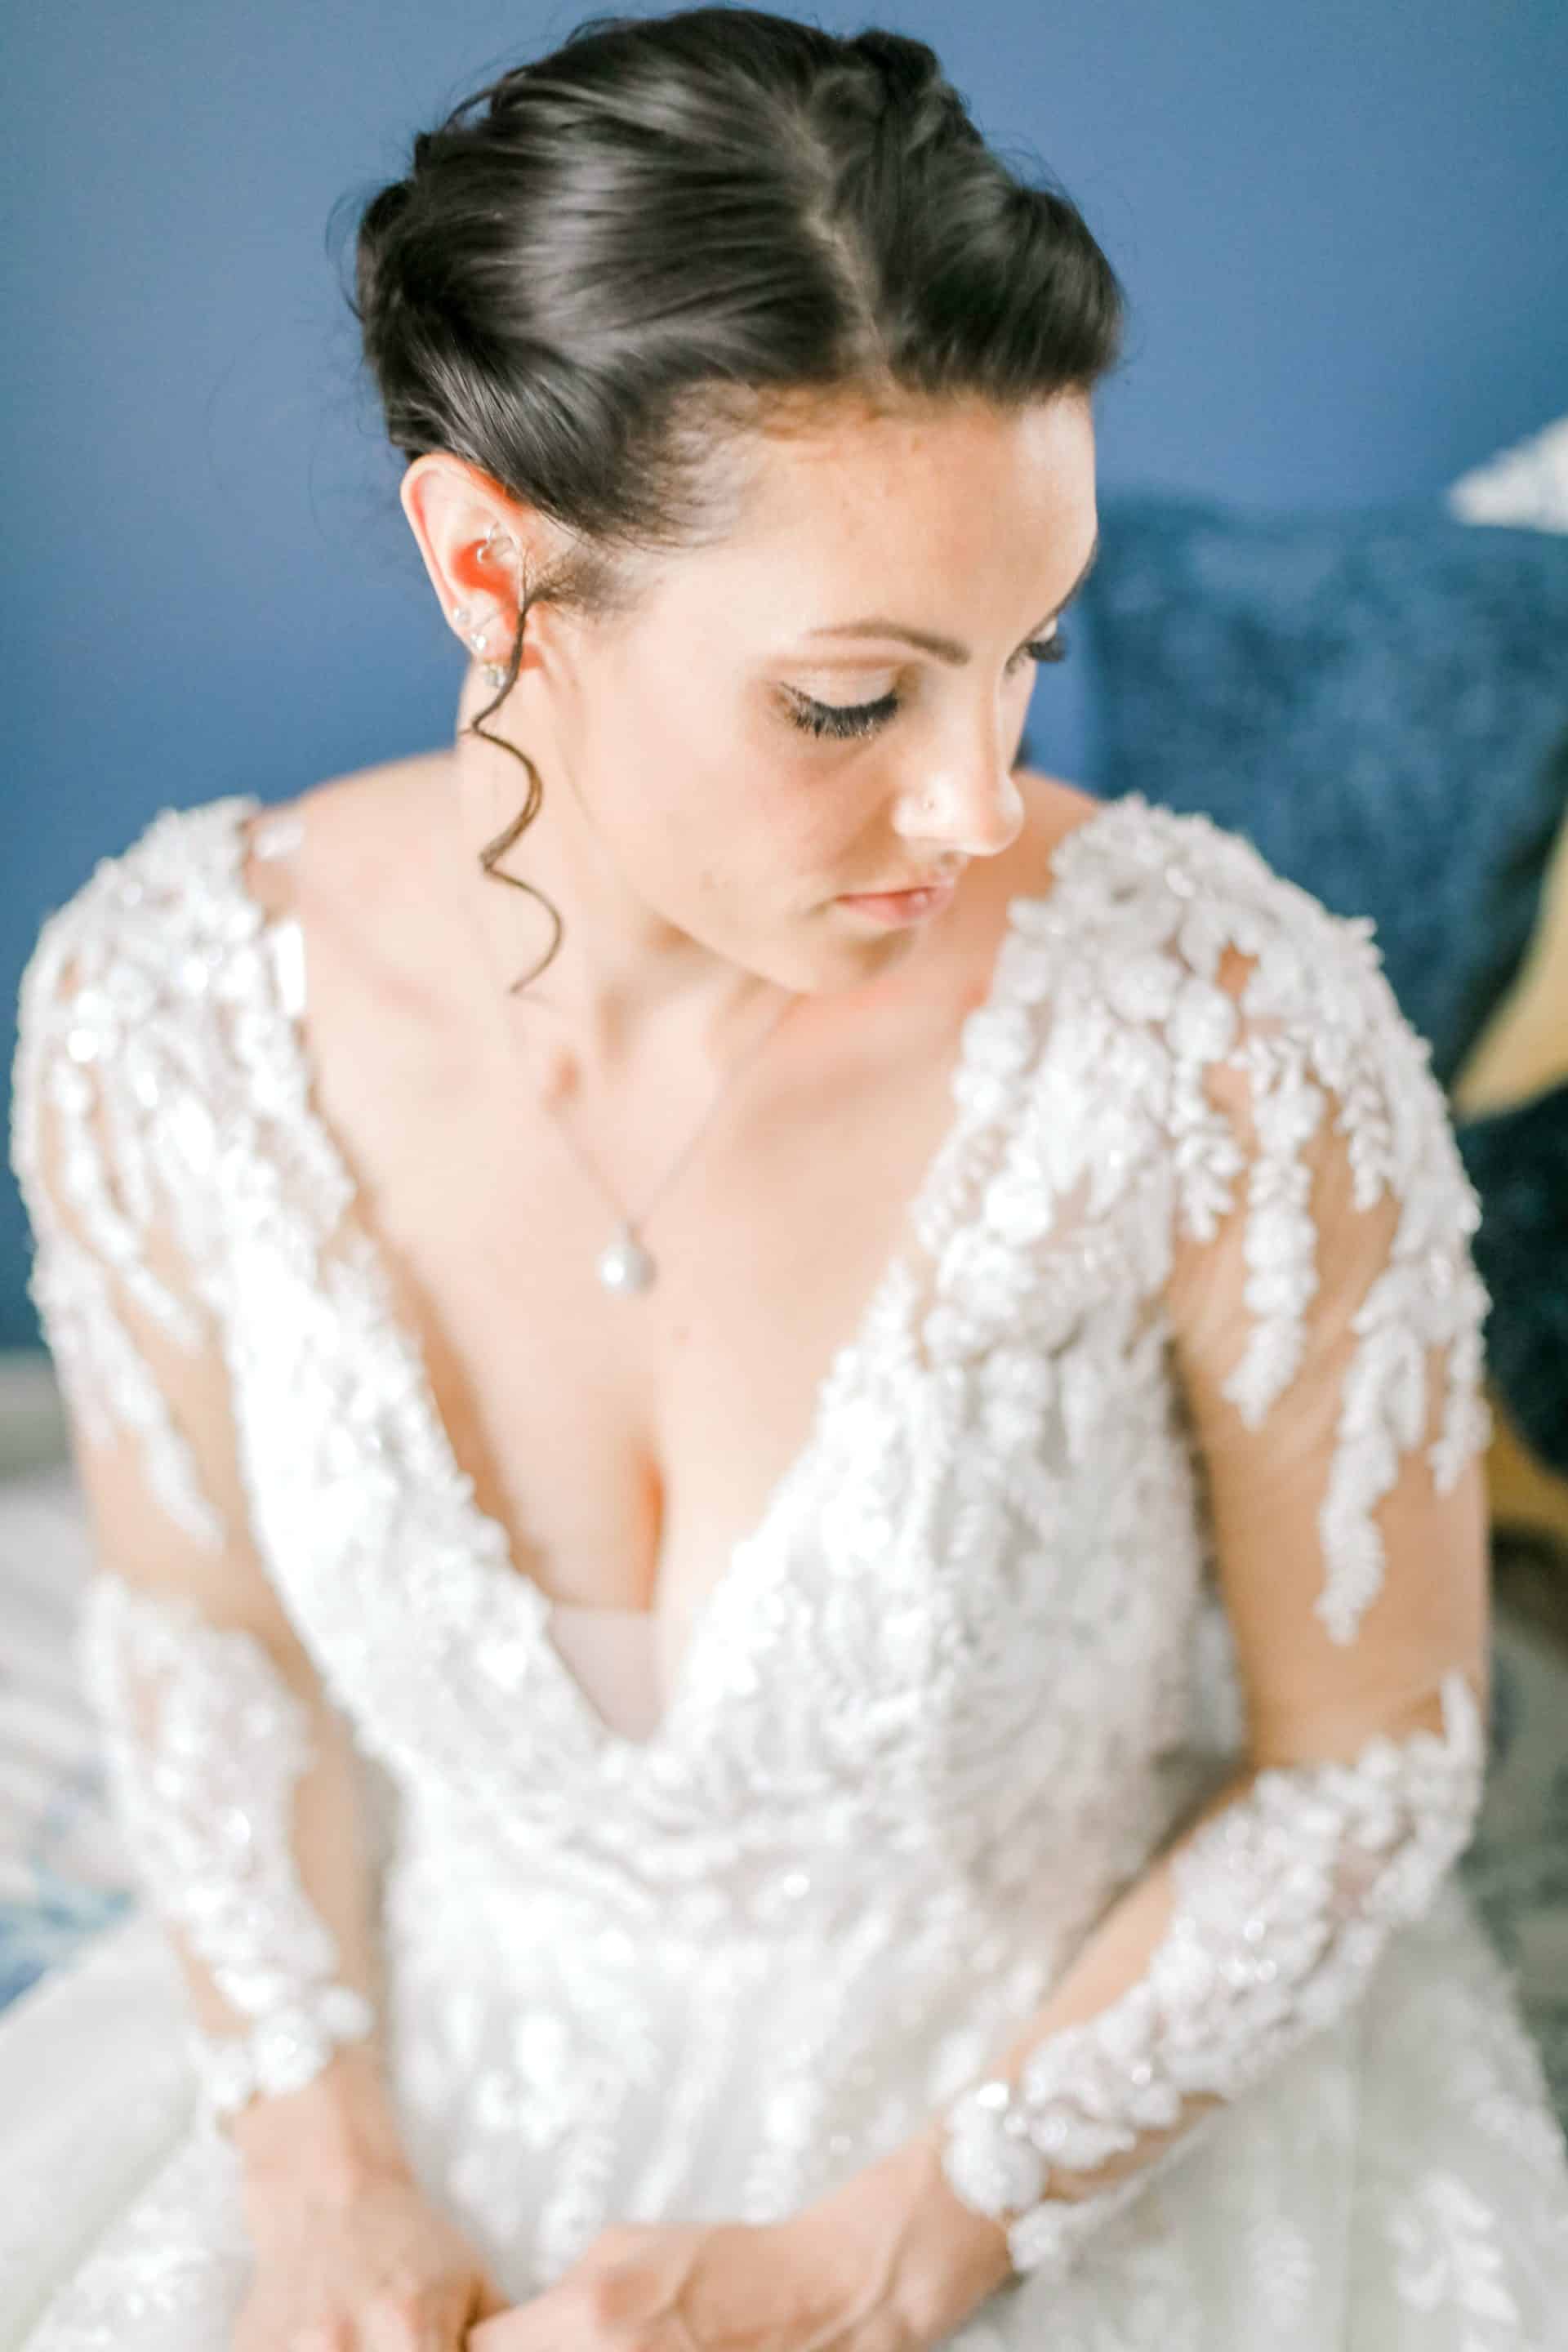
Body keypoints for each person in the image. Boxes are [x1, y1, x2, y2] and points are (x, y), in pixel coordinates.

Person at [7, 7, 1568, 2345]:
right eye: (855, 700)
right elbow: (203, 1633)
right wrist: (320, 2166)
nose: (970, 803)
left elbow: (1375, 1758)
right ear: (489, 566)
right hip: (411, 2094)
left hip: (1061, 2129)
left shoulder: (1227, 1043)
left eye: (1030, 655)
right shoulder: (165, 1014)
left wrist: (911, 2239)